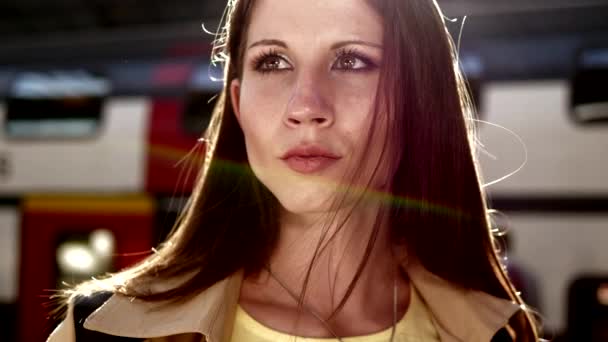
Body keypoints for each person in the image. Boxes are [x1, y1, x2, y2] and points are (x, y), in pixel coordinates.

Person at [47, 0, 541, 341]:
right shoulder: (102, 334)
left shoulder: (499, 335)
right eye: (273, 61)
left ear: (420, 99)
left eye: (350, 60)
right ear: (238, 105)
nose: (305, 106)